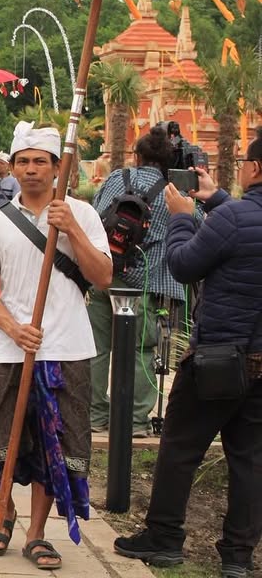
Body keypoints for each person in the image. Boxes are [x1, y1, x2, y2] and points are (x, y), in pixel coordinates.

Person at [113, 131, 262, 576]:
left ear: (255, 168)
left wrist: (182, 217)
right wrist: (216, 201)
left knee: (181, 447)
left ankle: (164, 537)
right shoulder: (233, 216)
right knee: (250, 458)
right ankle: (238, 557)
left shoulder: (232, 219)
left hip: (216, 358)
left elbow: (182, 264)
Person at [0, 121, 112, 570]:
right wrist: (13, 327)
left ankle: (36, 532)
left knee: (56, 442)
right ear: (11, 168)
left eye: (41, 162)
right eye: (23, 161)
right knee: (6, 435)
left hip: (68, 346)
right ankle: (4, 508)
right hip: (14, 349)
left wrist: (71, 228)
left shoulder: (82, 214)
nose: (31, 169)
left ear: (57, 169)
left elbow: (103, 277)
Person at [88, 127, 191, 437]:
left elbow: (94, 215)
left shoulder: (117, 178)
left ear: (137, 156)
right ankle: (134, 420)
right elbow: (192, 224)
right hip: (143, 281)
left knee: (97, 345)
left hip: (104, 273)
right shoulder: (174, 190)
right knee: (142, 350)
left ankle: (95, 415)